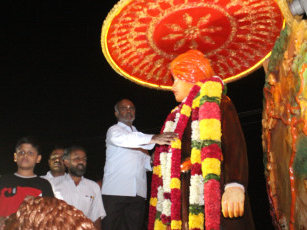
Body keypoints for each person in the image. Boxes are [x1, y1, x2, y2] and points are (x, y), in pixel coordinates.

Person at [148, 50, 255, 230]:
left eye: (176, 79)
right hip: (183, 196)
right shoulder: (175, 118)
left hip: (216, 188)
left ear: (191, 76)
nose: (172, 86)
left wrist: (235, 185)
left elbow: (234, 146)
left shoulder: (219, 103)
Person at [101, 99, 177, 230]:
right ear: (117, 113)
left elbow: (146, 164)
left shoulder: (139, 136)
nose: (129, 110)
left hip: (138, 194)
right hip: (115, 193)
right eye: (124, 108)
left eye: (131, 108)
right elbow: (125, 140)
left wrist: (153, 159)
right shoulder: (114, 130)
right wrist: (154, 138)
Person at [0, 137, 54, 230]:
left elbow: (50, 218)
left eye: (30, 153)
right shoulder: (2, 181)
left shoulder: (44, 185)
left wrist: (38, 206)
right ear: (15, 157)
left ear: (38, 158)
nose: (25, 155)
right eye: (21, 152)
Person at [51, 145, 106, 230]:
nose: (81, 162)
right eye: (77, 158)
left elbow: (97, 218)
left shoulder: (93, 187)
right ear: (66, 163)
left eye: (84, 159)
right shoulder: (54, 184)